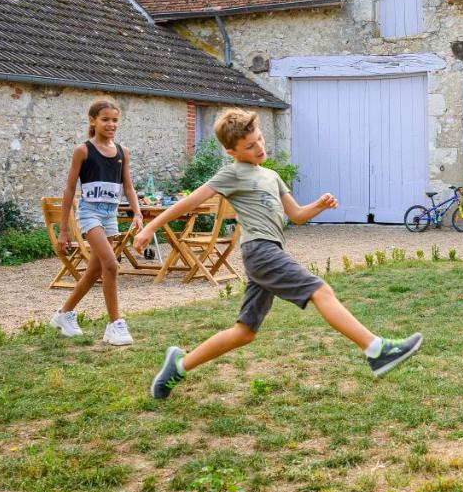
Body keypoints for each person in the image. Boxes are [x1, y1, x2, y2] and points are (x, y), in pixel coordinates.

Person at [133, 108, 423, 399]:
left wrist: (319, 205)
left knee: (244, 332)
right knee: (320, 291)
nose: (259, 148)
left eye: (260, 140)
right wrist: (150, 227)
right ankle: (376, 349)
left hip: (268, 251)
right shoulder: (231, 174)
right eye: (249, 146)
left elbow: (296, 215)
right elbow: (190, 201)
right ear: (231, 151)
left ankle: (178, 367)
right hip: (260, 250)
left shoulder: (271, 176)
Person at [50, 97, 142, 346]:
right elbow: (69, 190)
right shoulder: (83, 151)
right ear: (93, 121)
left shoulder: (123, 152)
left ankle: (63, 314)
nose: (111, 124)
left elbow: (129, 186)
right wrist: (64, 230)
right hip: (89, 213)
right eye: (105, 120)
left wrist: (137, 212)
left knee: (93, 271)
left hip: (110, 214)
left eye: (115, 120)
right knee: (111, 265)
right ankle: (115, 324)